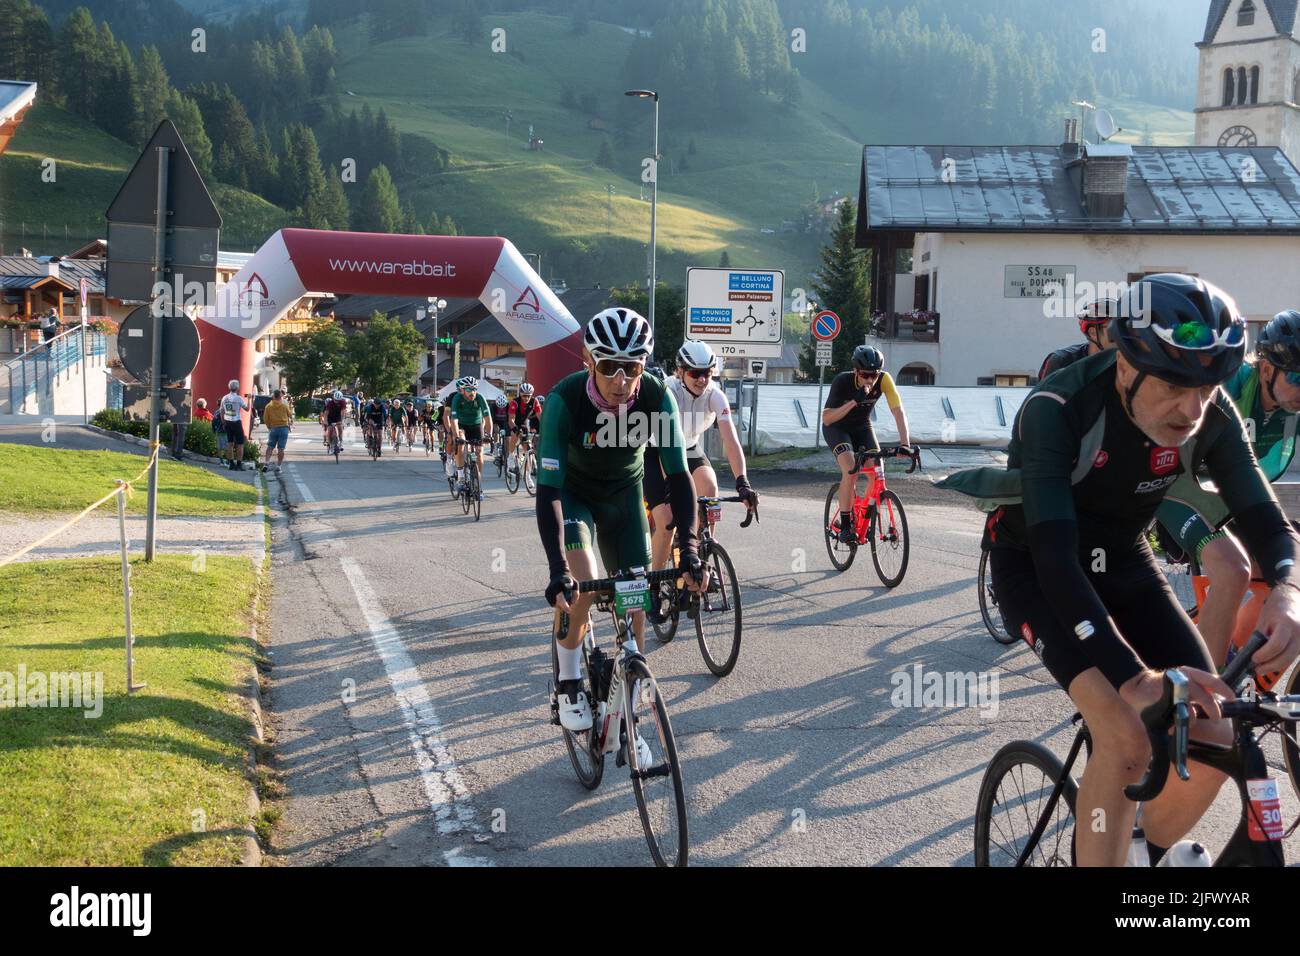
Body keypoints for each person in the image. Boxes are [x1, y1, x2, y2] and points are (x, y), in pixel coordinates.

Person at [939, 273, 1300, 867]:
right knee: (1127, 736)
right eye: (1174, 386)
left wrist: (1287, 589)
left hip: (1124, 559)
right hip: (1035, 564)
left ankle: (1136, 855)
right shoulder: (1058, 407)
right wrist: (1136, 680)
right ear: (1126, 367)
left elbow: (1266, 517)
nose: (1192, 409)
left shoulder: (1210, 411)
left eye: (1207, 387)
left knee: (1212, 733)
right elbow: (1056, 560)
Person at [537, 307, 705, 737]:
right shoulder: (564, 399)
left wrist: (690, 549)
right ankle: (569, 681)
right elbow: (549, 492)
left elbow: (679, 477)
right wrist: (558, 570)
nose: (621, 380)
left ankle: (629, 726)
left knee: (636, 600)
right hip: (574, 497)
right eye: (609, 367)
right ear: (588, 361)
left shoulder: (653, 396)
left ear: (643, 366)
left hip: (625, 498)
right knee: (585, 586)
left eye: (631, 368)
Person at [1155, 308, 1300, 667]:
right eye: (1297, 377)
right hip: (1182, 490)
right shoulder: (1228, 390)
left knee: (1287, 564)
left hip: (1233, 498)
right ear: (1267, 370)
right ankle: (1211, 677)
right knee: (1237, 567)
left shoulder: (1292, 405)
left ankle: (1243, 659)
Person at [645, 340, 759, 583]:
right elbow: (667, 455)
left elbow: (731, 441)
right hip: (657, 452)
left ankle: (701, 558)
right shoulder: (668, 391)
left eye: (707, 373)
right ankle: (654, 583)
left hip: (689, 448)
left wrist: (743, 482)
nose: (702, 379)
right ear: (680, 372)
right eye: (695, 373)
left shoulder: (714, 395)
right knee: (667, 522)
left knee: (711, 492)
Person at [821, 344, 913, 544]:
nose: (870, 379)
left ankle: (863, 514)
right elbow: (826, 418)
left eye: (874, 374)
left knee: (877, 470)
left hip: (862, 427)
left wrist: (905, 443)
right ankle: (845, 524)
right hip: (837, 428)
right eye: (865, 375)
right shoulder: (842, 381)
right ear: (855, 371)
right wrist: (854, 401)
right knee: (851, 470)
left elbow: (898, 410)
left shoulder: (884, 380)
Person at [1038, 299, 1119, 381]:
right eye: (1113, 327)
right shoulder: (1062, 361)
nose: (1121, 334)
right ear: (1093, 333)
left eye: (1124, 327)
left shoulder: (1125, 361)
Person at [444, 377, 492, 495]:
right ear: (462, 390)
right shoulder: (456, 398)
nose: (472, 392)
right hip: (462, 425)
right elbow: (453, 420)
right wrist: (455, 435)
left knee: (479, 451)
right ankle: (460, 478)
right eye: (469, 390)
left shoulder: (480, 398)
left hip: (476, 425)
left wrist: (489, 434)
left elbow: (488, 418)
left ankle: (478, 480)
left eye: (474, 389)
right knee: (460, 444)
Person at [505, 382, 542, 472]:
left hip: (523, 424)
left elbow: (541, 417)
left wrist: (546, 429)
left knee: (528, 451)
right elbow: (511, 420)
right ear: (521, 395)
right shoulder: (515, 402)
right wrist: (515, 429)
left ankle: (527, 475)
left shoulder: (534, 402)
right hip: (513, 422)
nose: (526, 398)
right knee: (514, 434)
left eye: (529, 396)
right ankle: (510, 457)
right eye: (524, 396)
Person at [218, 379, 252, 471]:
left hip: (227, 421)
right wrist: (249, 399)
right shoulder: (239, 398)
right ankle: (239, 464)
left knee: (230, 443)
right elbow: (247, 409)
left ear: (229, 387)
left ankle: (231, 463)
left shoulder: (224, 398)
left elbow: (221, 410)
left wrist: (223, 422)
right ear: (237, 388)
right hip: (236, 421)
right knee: (240, 444)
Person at [261, 389, 294, 475]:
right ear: (280, 397)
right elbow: (290, 415)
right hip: (283, 428)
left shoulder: (268, 406)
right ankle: (278, 466)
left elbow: (265, 419)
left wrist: (269, 427)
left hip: (273, 428)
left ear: (273, 396)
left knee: (270, 447)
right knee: (281, 448)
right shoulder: (284, 405)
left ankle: (266, 463)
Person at [321, 389, 348, 453]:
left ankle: (341, 442)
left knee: (340, 428)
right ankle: (331, 445)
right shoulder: (330, 403)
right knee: (330, 430)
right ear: (333, 398)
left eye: (338, 400)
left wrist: (342, 420)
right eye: (335, 400)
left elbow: (343, 412)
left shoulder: (343, 402)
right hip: (330, 417)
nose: (336, 401)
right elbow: (326, 413)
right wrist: (325, 421)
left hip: (338, 416)